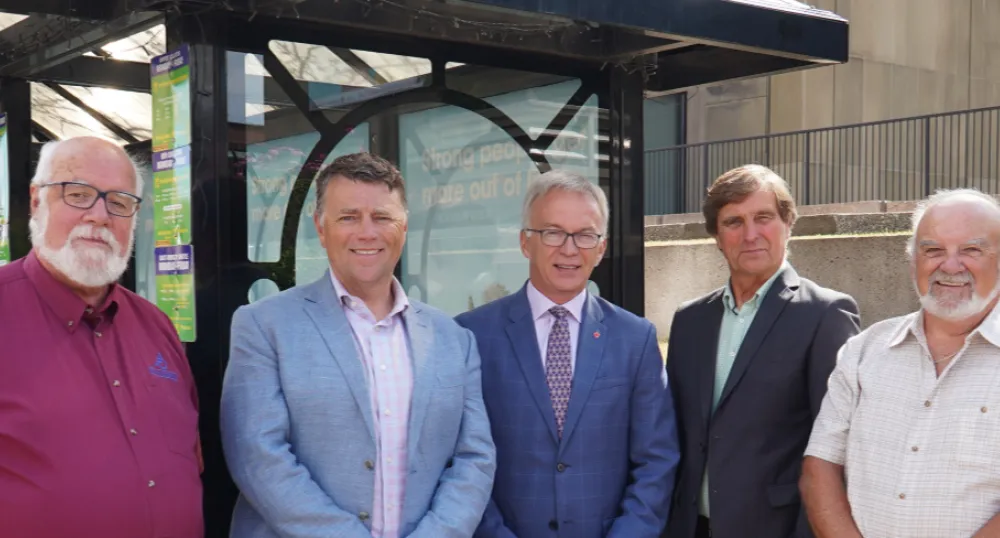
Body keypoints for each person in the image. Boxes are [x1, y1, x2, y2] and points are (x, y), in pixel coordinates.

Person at [220, 152, 496, 538]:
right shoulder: (264, 326)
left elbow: (474, 459)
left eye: (382, 217)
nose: (367, 232)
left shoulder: (453, 338)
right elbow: (257, 456)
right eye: (348, 217)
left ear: (403, 227)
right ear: (320, 228)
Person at [456, 170, 680, 538]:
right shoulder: (472, 336)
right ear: (525, 242)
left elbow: (656, 461)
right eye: (553, 232)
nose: (570, 249)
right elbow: (460, 458)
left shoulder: (635, 338)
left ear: (602, 248)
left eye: (585, 235)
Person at [0, 136, 203, 538]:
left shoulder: (157, 325)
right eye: (78, 195)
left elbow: (191, 454)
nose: (100, 216)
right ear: (37, 200)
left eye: (120, 202)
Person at [663, 165, 860, 538]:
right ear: (717, 236)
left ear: (788, 224)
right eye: (733, 222)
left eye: (763, 218)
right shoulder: (690, 320)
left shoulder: (825, 314)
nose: (750, 234)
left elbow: (838, 446)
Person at [802, 188, 1000, 538]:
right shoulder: (863, 351)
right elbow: (820, 466)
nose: (950, 265)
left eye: (971, 250)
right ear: (913, 262)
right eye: (933, 250)